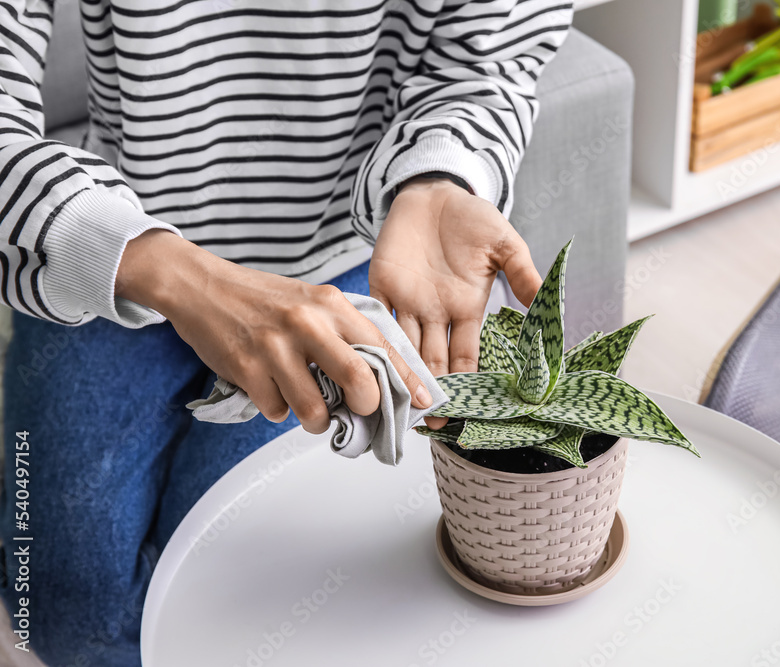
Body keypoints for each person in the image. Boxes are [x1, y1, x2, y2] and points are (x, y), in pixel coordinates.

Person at [0, 1, 571, 664]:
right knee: (61, 605)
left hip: (363, 252)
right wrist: (167, 271)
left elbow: (491, 55)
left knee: (239, 593)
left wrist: (439, 174)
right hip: (117, 243)